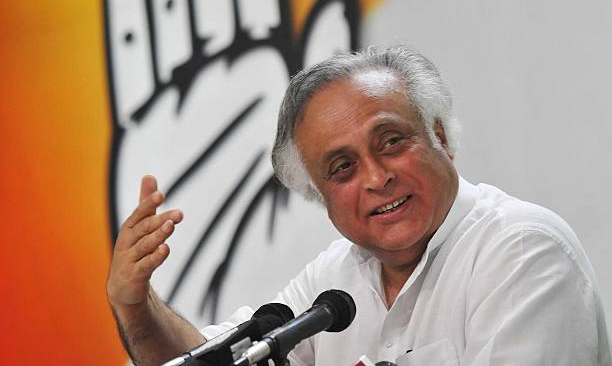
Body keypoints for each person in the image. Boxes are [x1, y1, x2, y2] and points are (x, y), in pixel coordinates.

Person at [107, 45, 611, 365]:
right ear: (318, 195)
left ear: (438, 135)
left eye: (392, 141)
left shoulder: (521, 251)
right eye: (342, 168)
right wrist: (136, 308)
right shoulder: (333, 282)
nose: (377, 177)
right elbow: (217, 361)